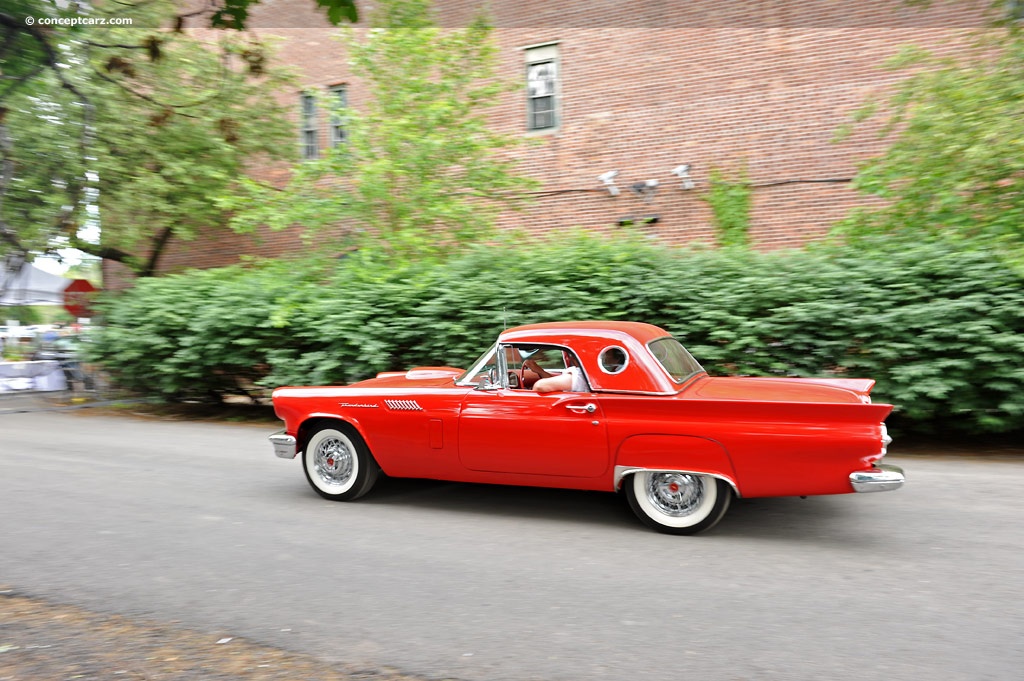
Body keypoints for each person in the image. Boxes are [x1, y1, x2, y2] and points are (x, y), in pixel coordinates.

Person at [522, 355, 588, 393]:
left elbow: (540, 386)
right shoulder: (588, 375)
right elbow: (558, 383)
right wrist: (540, 371)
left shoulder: (580, 374)